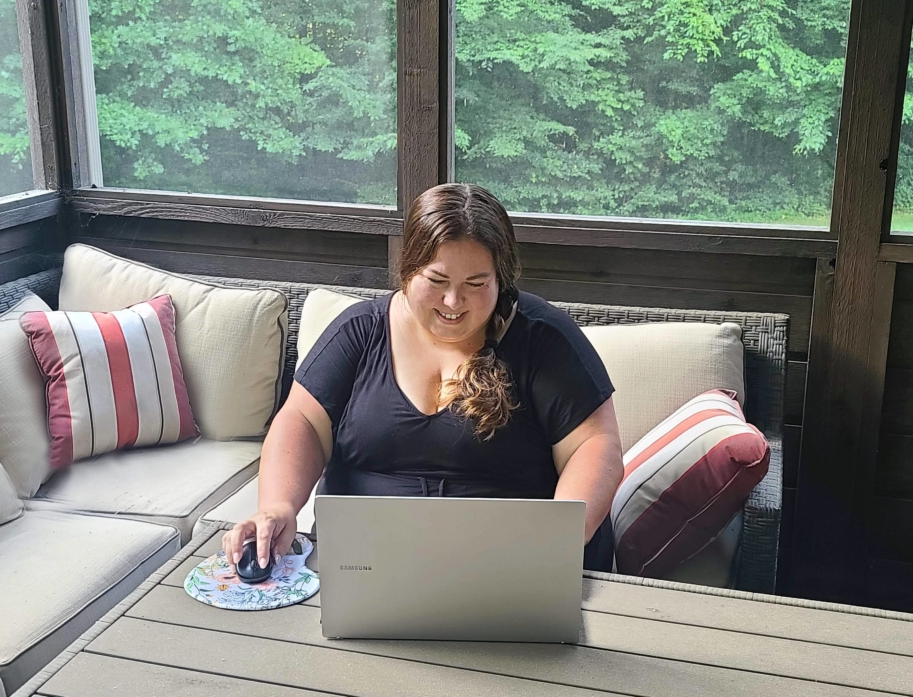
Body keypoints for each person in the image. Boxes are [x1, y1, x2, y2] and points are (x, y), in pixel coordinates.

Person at [224, 184, 624, 573]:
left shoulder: (543, 338)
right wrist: (277, 507)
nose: (453, 302)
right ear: (408, 270)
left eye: (476, 284)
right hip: (367, 567)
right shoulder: (360, 332)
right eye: (436, 281)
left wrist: (558, 541)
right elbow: (303, 422)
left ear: (501, 279)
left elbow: (594, 445)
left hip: (510, 569)